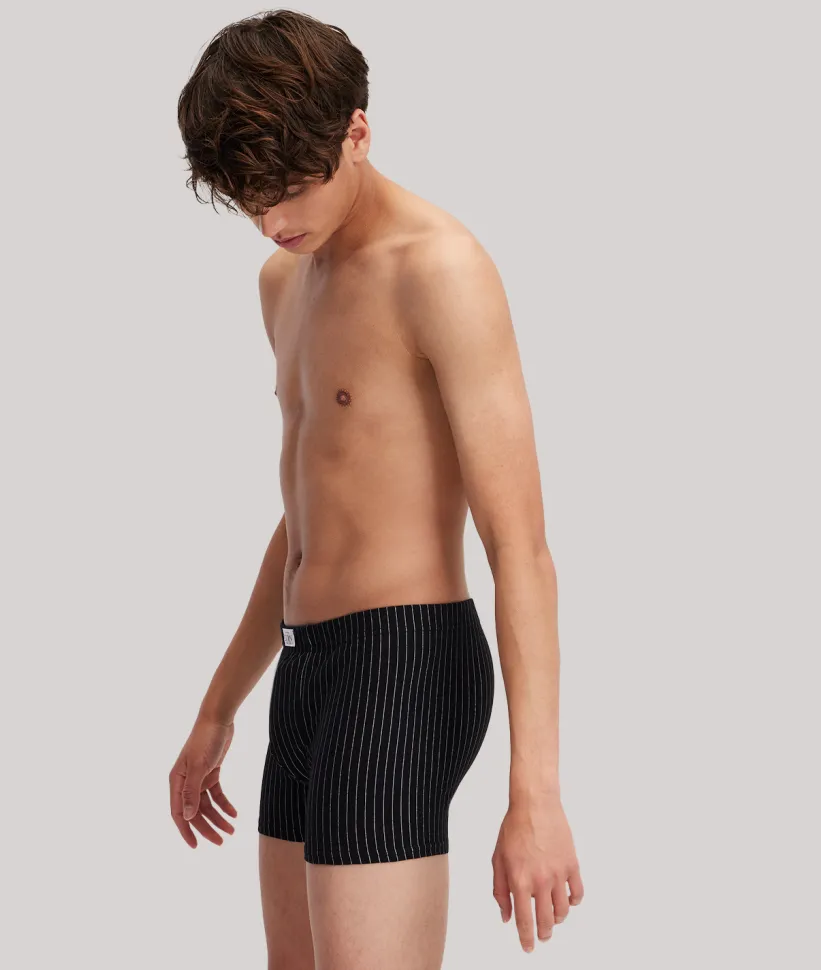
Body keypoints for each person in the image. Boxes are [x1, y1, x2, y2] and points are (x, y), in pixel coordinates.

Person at [170, 9, 583, 968]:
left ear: (356, 131)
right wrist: (218, 706)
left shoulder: (440, 269)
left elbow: (520, 545)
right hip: (305, 666)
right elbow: (305, 522)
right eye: (249, 200)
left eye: (289, 189)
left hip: (406, 663)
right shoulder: (284, 282)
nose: (273, 221)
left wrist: (537, 795)